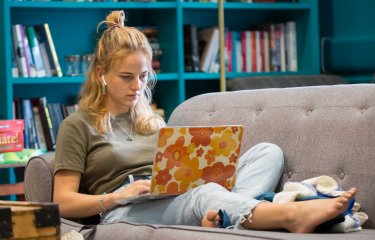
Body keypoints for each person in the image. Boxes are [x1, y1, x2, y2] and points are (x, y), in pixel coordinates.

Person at [53, 10, 356, 233]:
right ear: (101, 75)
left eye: (144, 77)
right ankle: (289, 216)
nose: (137, 86)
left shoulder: (154, 122)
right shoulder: (79, 125)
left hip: (172, 196)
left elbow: (174, 173)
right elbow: (62, 201)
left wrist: (200, 170)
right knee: (203, 195)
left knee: (267, 152)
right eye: (126, 77)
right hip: (124, 210)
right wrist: (116, 196)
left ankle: (220, 213)